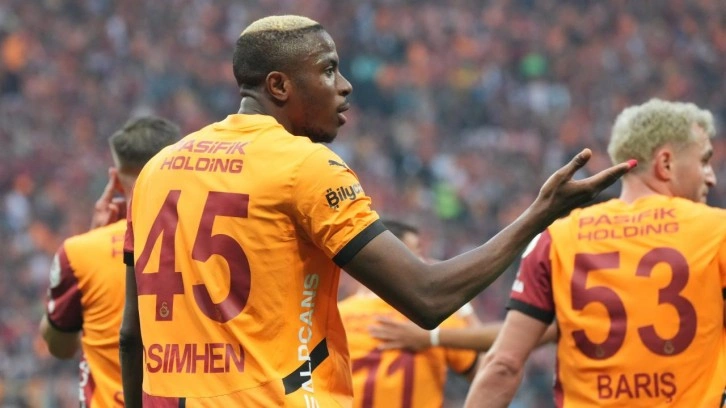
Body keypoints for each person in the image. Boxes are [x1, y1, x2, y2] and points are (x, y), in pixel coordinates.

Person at [119, 15, 634, 407]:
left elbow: (131, 335)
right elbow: (427, 297)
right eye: (327, 70)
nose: (345, 85)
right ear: (278, 86)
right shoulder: (304, 165)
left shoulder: (158, 170)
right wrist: (540, 213)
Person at [464, 98, 726, 407]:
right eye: (704, 161)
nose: (711, 177)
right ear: (666, 163)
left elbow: (503, 365)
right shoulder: (717, 231)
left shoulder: (557, 238)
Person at [39, 116, 181, 407]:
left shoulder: (80, 252)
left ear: (114, 179)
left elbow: (60, 346)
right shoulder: (202, 243)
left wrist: (95, 236)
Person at [339, 220, 478, 408]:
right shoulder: (431, 319)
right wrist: (463, 307)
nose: (425, 263)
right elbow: (490, 371)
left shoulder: (335, 317)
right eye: (418, 253)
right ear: (394, 259)